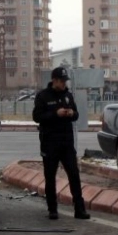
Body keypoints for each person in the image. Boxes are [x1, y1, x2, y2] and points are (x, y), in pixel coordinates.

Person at [32, 67, 90, 220]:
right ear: (54, 80)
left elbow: (76, 114)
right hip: (50, 143)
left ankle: (79, 209)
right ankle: (52, 209)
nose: (64, 84)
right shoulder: (43, 96)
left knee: (74, 174)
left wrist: (72, 114)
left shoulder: (68, 96)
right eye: (62, 81)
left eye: (65, 81)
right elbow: (37, 116)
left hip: (66, 143)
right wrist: (54, 114)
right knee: (50, 176)